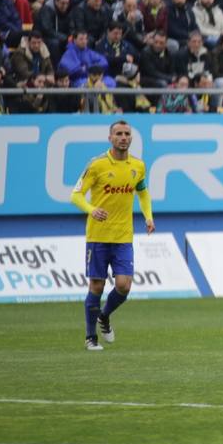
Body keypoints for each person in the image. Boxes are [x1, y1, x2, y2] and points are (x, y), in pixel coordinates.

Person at [67, 121, 155, 351]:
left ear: (131, 138)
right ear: (110, 138)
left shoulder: (138, 166)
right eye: (118, 134)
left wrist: (148, 217)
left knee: (124, 285)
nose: (123, 137)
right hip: (98, 236)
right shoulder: (96, 165)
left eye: (127, 134)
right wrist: (91, 209)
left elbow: (143, 194)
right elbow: (75, 195)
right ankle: (90, 337)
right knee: (96, 286)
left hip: (124, 236)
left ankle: (104, 317)